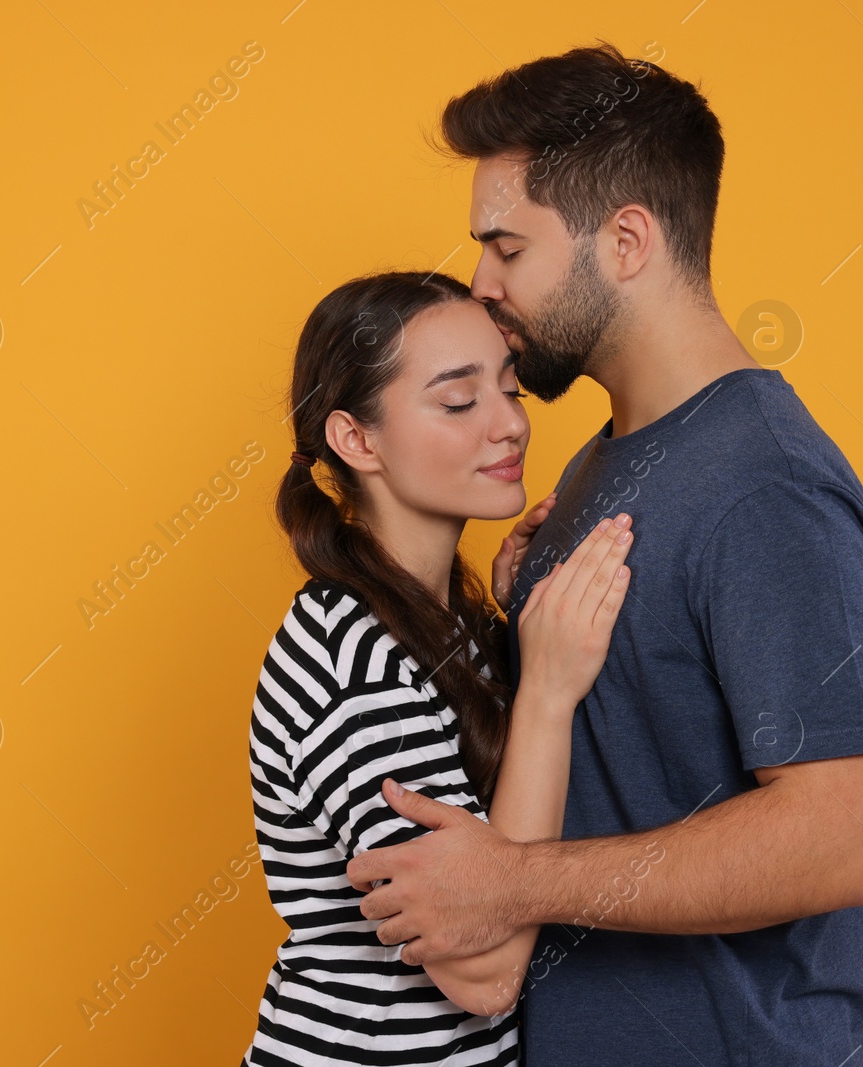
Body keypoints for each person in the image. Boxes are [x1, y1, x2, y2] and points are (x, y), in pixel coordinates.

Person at [344, 43, 863, 1066]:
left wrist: (514, 879)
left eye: (507, 247)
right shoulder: (603, 460)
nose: (481, 282)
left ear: (627, 239)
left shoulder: (766, 486)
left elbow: (842, 835)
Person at [240, 269, 636, 1066]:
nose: (508, 426)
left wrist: (511, 639)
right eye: (459, 402)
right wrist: (548, 693)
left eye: (511, 390)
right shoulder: (351, 660)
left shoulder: (441, 622)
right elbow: (484, 974)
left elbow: (497, 829)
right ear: (357, 439)